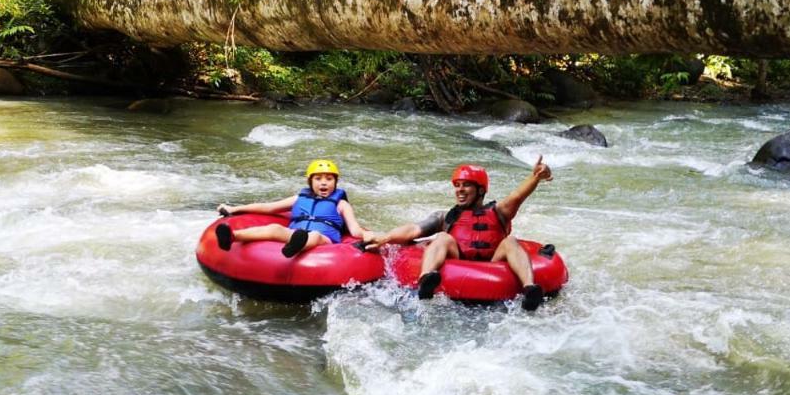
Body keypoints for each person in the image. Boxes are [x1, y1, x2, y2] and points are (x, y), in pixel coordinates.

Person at [365, 157, 553, 311]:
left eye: (466, 186)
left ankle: (530, 289)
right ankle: (426, 279)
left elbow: (518, 195)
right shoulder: (447, 217)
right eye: (457, 185)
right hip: (459, 259)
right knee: (442, 237)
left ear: (480, 190)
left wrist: (536, 176)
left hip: (493, 261)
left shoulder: (500, 212)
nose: (459, 190)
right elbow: (413, 230)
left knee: (510, 240)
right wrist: (386, 237)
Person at [214, 159, 373, 257]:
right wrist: (234, 209)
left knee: (315, 235)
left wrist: (373, 235)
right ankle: (232, 236)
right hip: (295, 233)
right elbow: (268, 207)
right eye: (318, 179)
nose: (324, 183)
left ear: (335, 182)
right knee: (275, 228)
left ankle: (297, 246)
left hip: (325, 239)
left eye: (329, 179)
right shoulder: (299, 198)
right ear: (310, 182)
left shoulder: (341, 204)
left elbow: (355, 230)